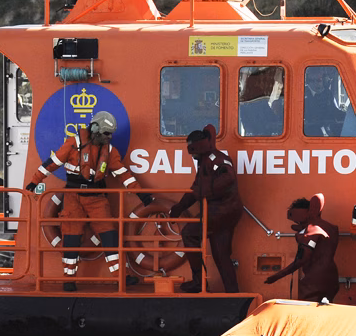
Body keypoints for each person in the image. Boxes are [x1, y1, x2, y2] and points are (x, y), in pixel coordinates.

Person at [26, 111, 152, 292]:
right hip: (73, 198)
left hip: (97, 199)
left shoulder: (110, 152)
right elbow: (52, 163)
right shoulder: (73, 143)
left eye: (111, 134)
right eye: (106, 133)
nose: (109, 137)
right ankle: (68, 279)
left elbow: (124, 175)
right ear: (94, 129)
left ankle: (122, 277)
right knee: (71, 236)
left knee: (110, 235)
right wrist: (34, 180)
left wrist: (143, 195)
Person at [167, 125, 241, 293]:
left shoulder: (216, 159)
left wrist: (205, 192)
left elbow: (227, 178)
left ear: (196, 147)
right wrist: (179, 208)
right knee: (221, 254)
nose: (191, 155)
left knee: (189, 233)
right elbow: (195, 189)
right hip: (226, 211)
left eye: (191, 149)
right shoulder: (206, 161)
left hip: (221, 211)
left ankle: (199, 282)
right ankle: (233, 292)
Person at [263, 194, 339, 303]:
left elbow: (302, 259)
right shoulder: (332, 228)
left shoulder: (312, 230)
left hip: (314, 280)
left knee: (308, 308)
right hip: (332, 278)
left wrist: (277, 276)